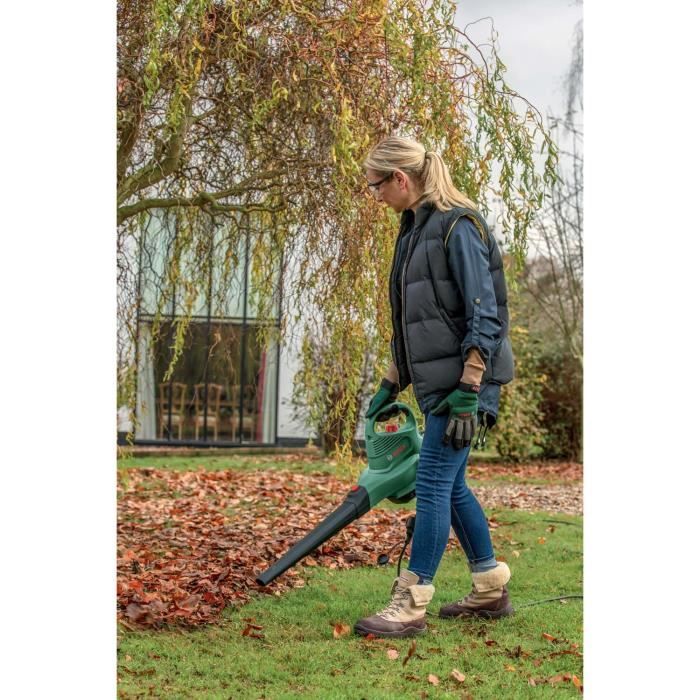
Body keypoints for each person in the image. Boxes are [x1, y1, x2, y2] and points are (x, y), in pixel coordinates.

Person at [353, 136, 514, 639]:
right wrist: (391, 381)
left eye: (376, 186)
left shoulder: (457, 226)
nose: (375, 196)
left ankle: (412, 600)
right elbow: (415, 322)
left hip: (463, 387)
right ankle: (489, 586)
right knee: (453, 484)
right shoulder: (413, 231)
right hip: (440, 384)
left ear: (401, 179)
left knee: (432, 483)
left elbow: (483, 311)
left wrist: (470, 383)